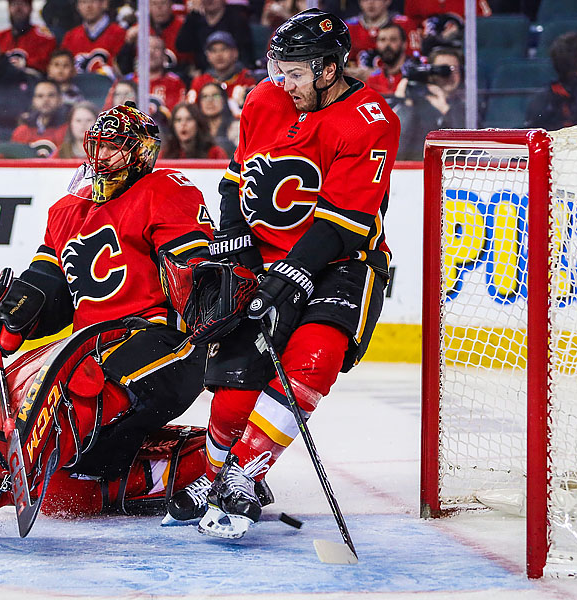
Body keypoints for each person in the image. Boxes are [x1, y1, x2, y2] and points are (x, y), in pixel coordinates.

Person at [0, 103, 222, 537]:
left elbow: (194, 266)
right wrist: (11, 318)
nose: (102, 157)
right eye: (98, 146)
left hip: (164, 343)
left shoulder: (165, 189)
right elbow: (48, 286)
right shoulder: (66, 210)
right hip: (90, 345)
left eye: (115, 147)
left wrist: (201, 281)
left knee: (82, 385)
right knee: (65, 494)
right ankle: (208, 461)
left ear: (142, 153)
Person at [163, 9, 398, 540]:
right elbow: (235, 179)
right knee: (231, 398)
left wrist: (289, 274)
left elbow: (345, 223)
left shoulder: (370, 121)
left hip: (341, 266)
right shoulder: (264, 100)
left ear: (328, 69)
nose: (283, 84)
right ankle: (217, 475)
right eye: (280, 71)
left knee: (313, 360)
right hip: (266, 264)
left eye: (294, 73)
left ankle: (245, 475)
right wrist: (236, 244)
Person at [393, 47, 465, 160]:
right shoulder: (416, 106)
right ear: (430, 73)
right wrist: (404, 105)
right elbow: (398, 151)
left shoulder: (469, 105)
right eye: (442, 69)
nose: (449, 74)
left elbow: (468, 149)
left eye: (454, 69)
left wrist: (445, 109)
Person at [175, 0, 254, 71]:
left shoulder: (236, 19)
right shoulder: (195, 19)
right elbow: (181, 47)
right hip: (202, 73)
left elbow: (244, 54)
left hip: (232, 72)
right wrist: (192, 15)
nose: (210, 1)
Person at [187, 32, 259, 106]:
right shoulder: (199, 82)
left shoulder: (248, 78)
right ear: (208, 56)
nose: (219, 55)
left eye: (224, 49)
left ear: (235, 53)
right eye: (214, 51)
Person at [61, 0, 127, 76]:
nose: (88, 6)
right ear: (77, 6)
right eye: (83, 2)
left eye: (93, 1)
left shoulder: (120, 34)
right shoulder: (70, 36)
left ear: (104, 3)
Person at [124, 36, 186, 111]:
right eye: (146, 48)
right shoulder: (127, 82)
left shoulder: (175, 83)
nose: (150, 52)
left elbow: (177, 113)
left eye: (156, 48)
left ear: (164, 57)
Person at [0, 0, 58, 76]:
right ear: (8, 8)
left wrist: (25, 63)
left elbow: (47, 64)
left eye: (23, 4)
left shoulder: (44, 38)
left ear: (31, 8)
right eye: (14, 4)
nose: (18, 8)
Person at [11, 80, 70, 156]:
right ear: (33, 101)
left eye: (51, 95)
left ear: (60, 99)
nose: (45, 100)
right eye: (40, 96)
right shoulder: (22, 131)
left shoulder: (69, 130)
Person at [161, 102, 229, 159]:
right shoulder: (165, 155)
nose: (183, 124)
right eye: (178, 120)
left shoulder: (215, 154)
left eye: (189, 119)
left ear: (198, 124)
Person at [365, 22, 414, 97]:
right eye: (382, 40)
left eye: (393, 39)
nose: (387, 45)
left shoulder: (415, 74)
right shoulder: (373, 79)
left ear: (404, 44)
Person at [195, 81, 236, 156]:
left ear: (224, 100)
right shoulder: (195, 129)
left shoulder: (237, 127)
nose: (209, 101)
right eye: (205, 96)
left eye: (215, 95)